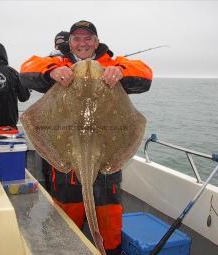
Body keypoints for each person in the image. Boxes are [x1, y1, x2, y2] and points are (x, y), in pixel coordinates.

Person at [20, 20, 153, 255]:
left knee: (108, 226)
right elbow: (27, 68)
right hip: (66, 171)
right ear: (69, 43)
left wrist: (120, 72)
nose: (83, 43)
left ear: (97, 42)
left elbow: (145, 74)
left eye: (88, 38)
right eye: (77, 39)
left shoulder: (112, 64)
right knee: (65, 228)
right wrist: (51, 71)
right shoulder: (59, 63)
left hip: (105, 169)